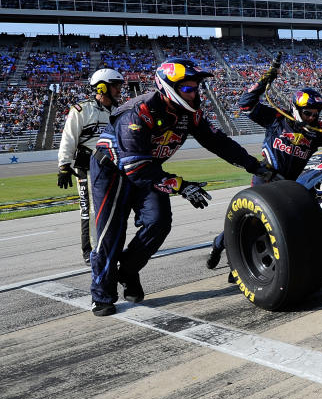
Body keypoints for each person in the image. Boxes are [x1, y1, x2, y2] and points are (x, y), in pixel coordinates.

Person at [88, 58, 275, 316]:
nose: (194, 93)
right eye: (187, 88)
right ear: (167, 86)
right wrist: (181, 185)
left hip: (147, 167)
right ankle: (102, 295)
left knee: (160, 222)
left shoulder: (191, 113)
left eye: (196, 88)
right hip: (113, 171)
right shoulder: (137, 112)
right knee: (112, 232)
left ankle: (128, 270)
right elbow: (135, 169)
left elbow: (217, 141)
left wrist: (254, 166)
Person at [205, 58, 322, 270]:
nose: (312, 118)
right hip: (265, 177)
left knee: (275, 225)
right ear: (296, 109)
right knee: (254, 221)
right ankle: (221, 248)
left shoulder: (317, 133)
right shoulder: (276, 118)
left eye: (316, 114)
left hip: (288, 186)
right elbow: (245, 103)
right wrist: (264, 80)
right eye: (308, 113)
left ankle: (247, 262)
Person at [57, 68, 124, 264]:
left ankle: (109, 246)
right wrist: (63, 166)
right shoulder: (81, 110)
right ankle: (91, 251)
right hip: (86, 167)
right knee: (90, 210)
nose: (119, 89)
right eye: (115, 85)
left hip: (112, 168)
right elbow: (68, 139)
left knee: (113, 208)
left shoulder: (119, 112)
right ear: (102, 87)